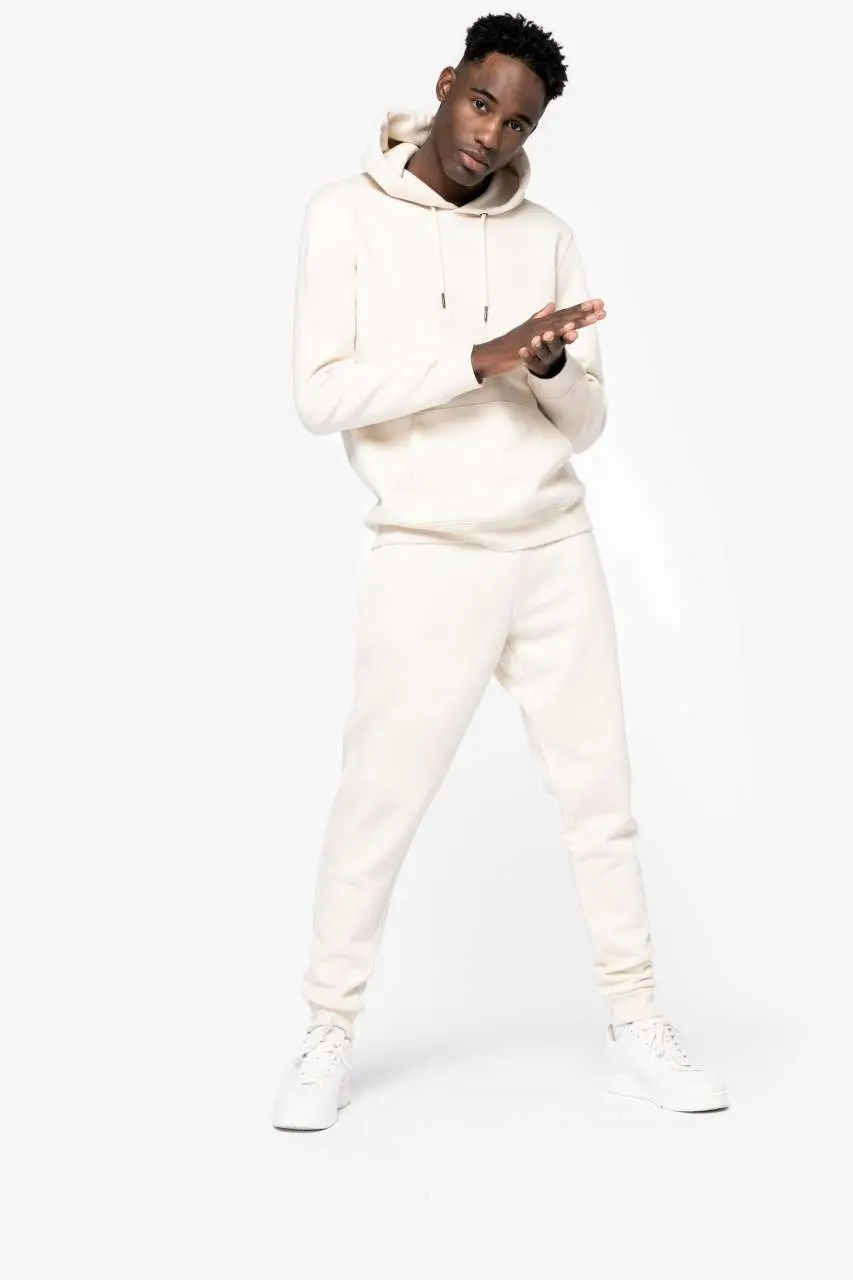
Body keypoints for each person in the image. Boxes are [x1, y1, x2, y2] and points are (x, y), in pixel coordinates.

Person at [272, 12, 729, 1130]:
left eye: (519, 122)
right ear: (445, 85)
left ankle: (634, 1023)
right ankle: (327, 1030)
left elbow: (586, 425)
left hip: (552, 547)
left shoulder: (548, 236)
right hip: (427, 554)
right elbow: (319, 394)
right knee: (377, 806)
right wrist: (474, 359)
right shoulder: (343, 215)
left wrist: (551, 364)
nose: (491, 134)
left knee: (600, 804)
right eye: (481, 103)